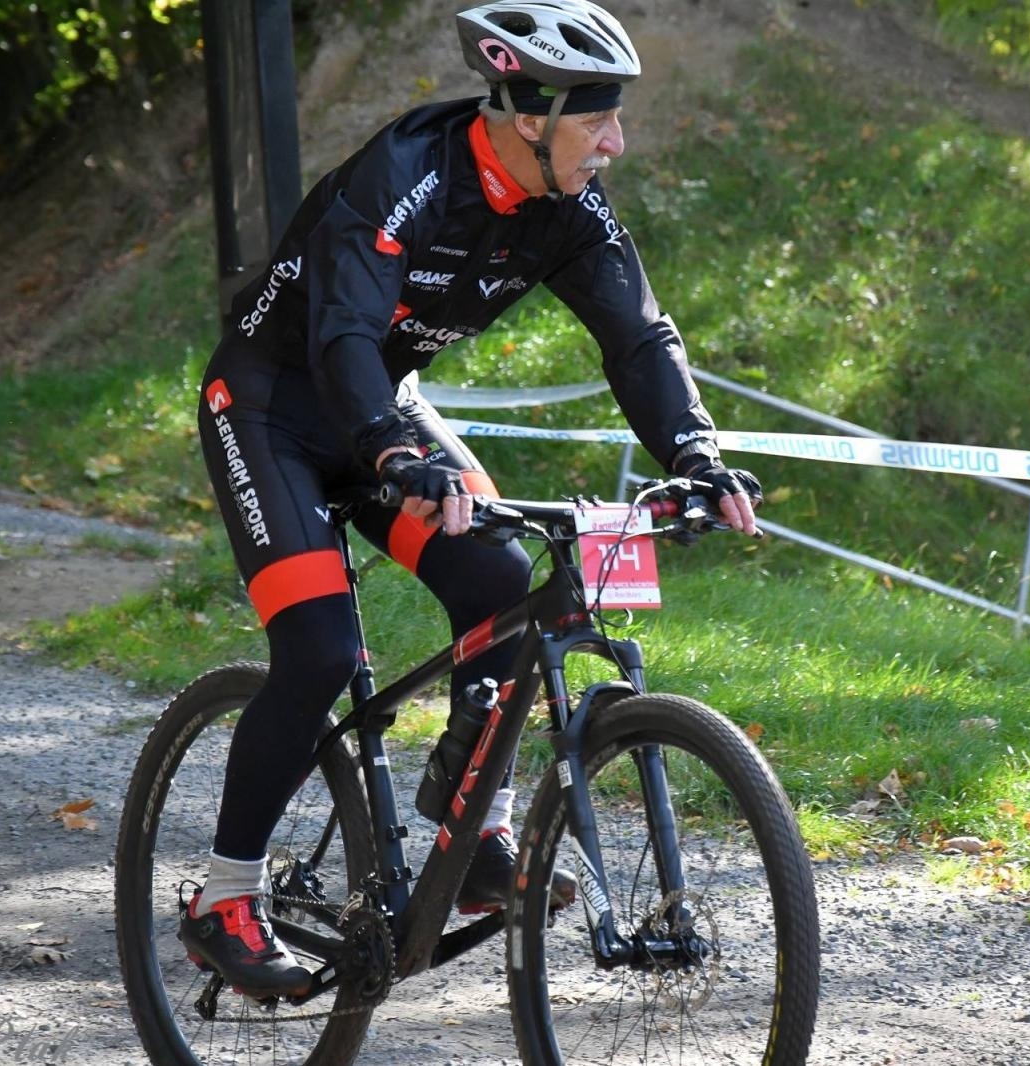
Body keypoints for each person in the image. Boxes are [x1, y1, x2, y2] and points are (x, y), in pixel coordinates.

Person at [182, 0, 762, 999]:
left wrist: (695, 454)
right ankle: (223, 898)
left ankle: (470, 825)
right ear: (528, 117)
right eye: (596, 119)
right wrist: (389, 451)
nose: (615, 143)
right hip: (274, 406)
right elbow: (344, 333)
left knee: (499, 579)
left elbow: (637, 336)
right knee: (319, 647)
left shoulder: (570, 205)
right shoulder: (404, 175)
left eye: (615, 118)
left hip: (385, 409)